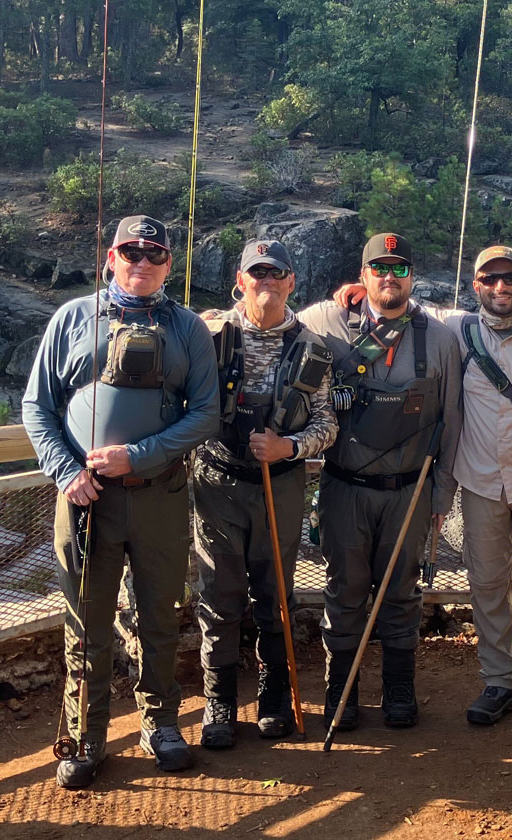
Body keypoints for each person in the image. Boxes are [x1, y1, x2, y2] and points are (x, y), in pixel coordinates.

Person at [334, 245, 512, 740]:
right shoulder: (456, 330)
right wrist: (356, 294)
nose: (501, 287)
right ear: (476, 285)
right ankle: (499, 684)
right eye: (490, 279)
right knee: (487, 587)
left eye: (510, 278)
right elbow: (401, 307)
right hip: (479, 482)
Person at [22, 215, 220, 788]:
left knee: (160, 614)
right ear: (111, 257)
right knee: (87, 622)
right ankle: (84, 736)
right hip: (86, 500)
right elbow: (38, 407)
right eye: (131, 250)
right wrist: (65, 472)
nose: (142, 260)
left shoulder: (187, 329)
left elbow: (205, 413)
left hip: (160, 495)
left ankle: (160, 724)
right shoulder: (71, 318)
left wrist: (140, 454)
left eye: (154, 254)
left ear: (167, 264)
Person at [298, 233, 462, 730]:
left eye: (399, 269)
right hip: (343, 487)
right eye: (379, 268)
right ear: (362, 274)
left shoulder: (440, 338)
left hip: (409, 493)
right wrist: (333, 298)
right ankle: (339, 693)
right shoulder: (325, 322)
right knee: (343, 591)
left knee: (401, 593)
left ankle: (398, 690)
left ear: (413, 277)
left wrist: (442, 494)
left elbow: (451, 422)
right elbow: (274, 320)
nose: (389, 277)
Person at [194, 239, 337, 749]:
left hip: (281, 485)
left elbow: (326, 422)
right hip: (217, 482)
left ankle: (276, 694)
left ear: (291, 281)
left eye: (276, 273)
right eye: (258, 273)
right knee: (219, 597)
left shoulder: (313, 347)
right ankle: (220, 702)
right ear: (241, 280)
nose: (267, 282)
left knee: (275, 595)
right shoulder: (207, 333)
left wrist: (288, 447)